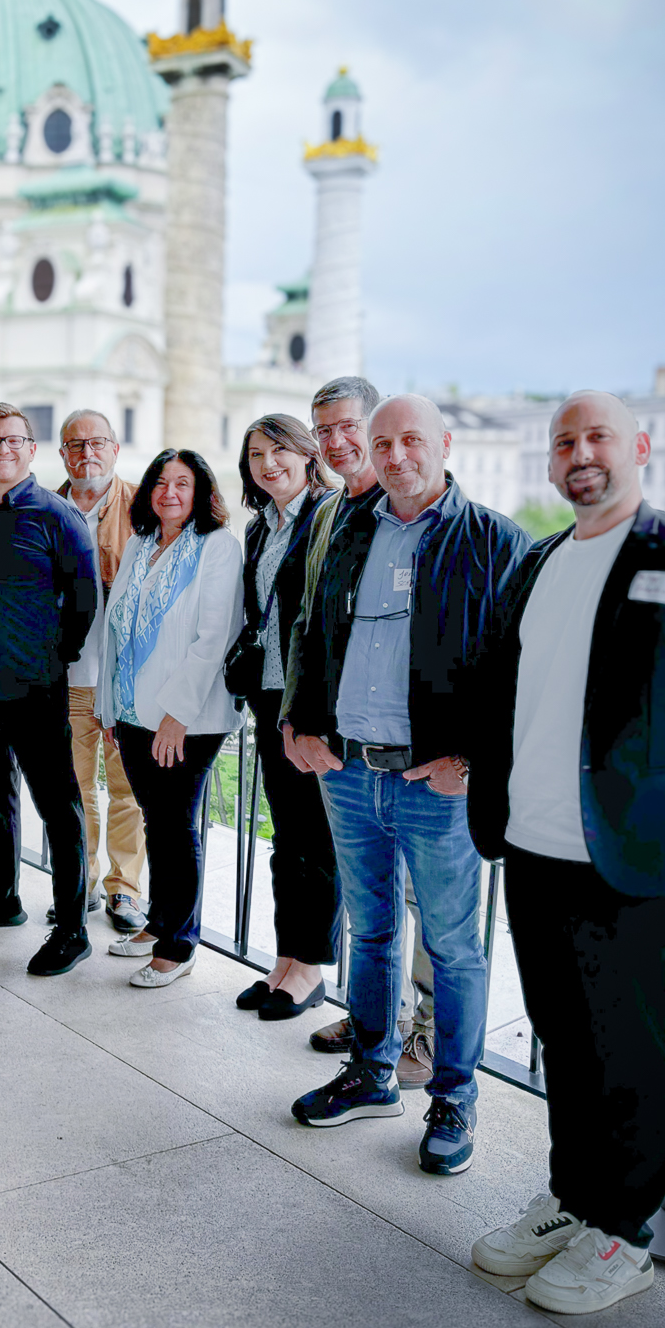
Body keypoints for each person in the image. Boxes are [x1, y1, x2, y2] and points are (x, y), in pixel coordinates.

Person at [466, 392, 665, 1314]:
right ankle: (575, 1201)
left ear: (636, 448)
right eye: (565, 441)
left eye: (598, 436)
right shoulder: (538, 563)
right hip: (535, 846)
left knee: (636, 1048)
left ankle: (626, 1233)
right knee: (565, 1037)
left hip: (639, 856)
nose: (580, 454)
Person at [284, 394, 530, 1176]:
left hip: (437, 783)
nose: (394, 455)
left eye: (410, 440)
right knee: (373, 930)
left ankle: (454, 1099)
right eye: (381, 442)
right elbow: (311, 631)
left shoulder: (493, 539)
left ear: (444, 444)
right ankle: (372, 1071)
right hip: (349, 771)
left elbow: (522, 667)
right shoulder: (344, 526)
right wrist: (297, 721)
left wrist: (477, 759)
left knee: (454, 947)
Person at [290, 376, 435, 1081]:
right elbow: (309, 627)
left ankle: (428, 1038)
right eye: (323, 431)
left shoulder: (411, 509)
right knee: (371, 904)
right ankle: (380, 1018)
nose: (337, 442)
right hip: (343, 746)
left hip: (414, 754)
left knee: (426, 908)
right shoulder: (327, 513)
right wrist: (296, 718)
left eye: (350, 427)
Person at [0, 403, 100, 977]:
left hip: (36, 686)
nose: (2, 449)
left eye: (14, 440)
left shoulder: (58, 516)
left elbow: (83, 600)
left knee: (58, 806)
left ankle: (73, 927)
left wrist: (52, 656)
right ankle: (2, 897)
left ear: (31, 450)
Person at [97, 450, 243, 985]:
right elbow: (117, 631)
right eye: (160, 482)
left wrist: (177, 716)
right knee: (156, 822)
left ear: (202, 491)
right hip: (134, 713)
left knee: (177, 829)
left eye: (182, 483)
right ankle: (158, 924)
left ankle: (179, 946)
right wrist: (112, 707)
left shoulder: (219, 548)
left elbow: (214, 637)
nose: (169, 493)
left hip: (188, 720)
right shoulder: (139, 544)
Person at [230, 415, 338, 1020]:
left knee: (315, 839)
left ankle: (312, 969)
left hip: (308, 704)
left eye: (279, 451)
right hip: (269, 698)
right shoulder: (260, 528)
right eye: (255, 455)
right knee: (285, 837)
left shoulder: (328, 517)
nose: (268, 464)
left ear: (307, 454)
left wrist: (311, 712)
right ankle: (286, 959)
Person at [58, 409, 148, 934]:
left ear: (115, 449)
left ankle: (125, 890)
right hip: (64, 679)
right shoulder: (45, 508)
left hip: (124, 681)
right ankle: (81, 883)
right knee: (74, 789)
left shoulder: (143, 505)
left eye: (97, 442)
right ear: (62, 454)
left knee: (126, 791)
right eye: (75, 444)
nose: (87, 452)